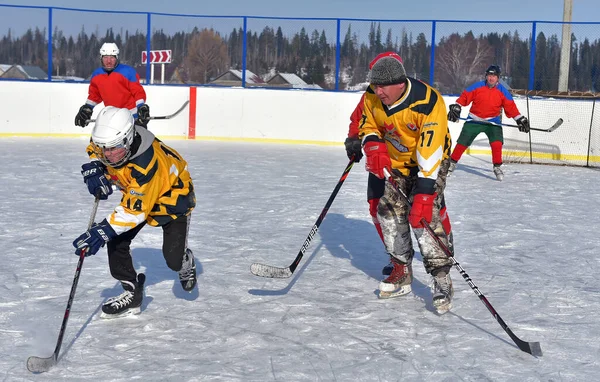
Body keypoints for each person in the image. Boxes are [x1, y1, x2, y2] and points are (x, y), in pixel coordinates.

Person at [72, 106, 196, 318]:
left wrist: (103, 230)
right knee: (116, 240)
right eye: (104, 149)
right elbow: (99, 151)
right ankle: (132, 292)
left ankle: (186, 261)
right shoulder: (113, 141)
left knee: (173, 261)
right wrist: (96, 167)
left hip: (172, 199)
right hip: (139, 193)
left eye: (113, 149)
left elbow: (134, 211)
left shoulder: (147, 165)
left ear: (128, 140)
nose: (108, 155)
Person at [358, 52, 455, 314]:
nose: (378, 91)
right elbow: (367, 124)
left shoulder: (428, 101)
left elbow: (430, 151)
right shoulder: (372, 96)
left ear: (400, 83)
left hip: (430, 162)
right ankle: (402, 270)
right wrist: (373, 144)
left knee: (424, 215)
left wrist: (424, 194)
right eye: (375, 85)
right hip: (397, 163)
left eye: (383, 86)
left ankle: (441, 276)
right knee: (388, 210)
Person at [446, 65, 530, 181]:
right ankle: (452, 163)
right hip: (474, 119)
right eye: (489, 75)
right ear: (486, 76)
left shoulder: (502, 91)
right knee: (463, 142)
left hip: (493, 122)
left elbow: (510, 107)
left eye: (494, 76)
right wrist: (457, 106)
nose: (491, 78)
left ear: (498, 78)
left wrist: (519, 119)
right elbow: (465, 97)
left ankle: (497, 167)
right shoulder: (477, 87)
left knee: (497, 143)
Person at [74, 42, 150, 128]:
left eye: (112, 57)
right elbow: (94, 95)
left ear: (117, 58)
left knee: (139, 140)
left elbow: (137, 92)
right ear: (101, 58)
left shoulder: (128, 72)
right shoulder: (96, 75)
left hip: (132, 117)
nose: (109, 61)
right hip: (112, 118)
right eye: (105, 57)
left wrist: (141, 107)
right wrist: (87, 108)